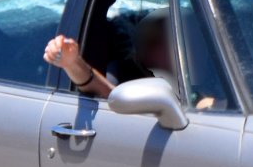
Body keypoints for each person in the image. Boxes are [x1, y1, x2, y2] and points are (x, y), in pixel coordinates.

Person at [43, 9, 176, 100]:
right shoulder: (125, 74)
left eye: (170, 40)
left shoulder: (189, 73)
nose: (169, 49)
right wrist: (72, 63)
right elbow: (109, 93)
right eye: (153, 43)